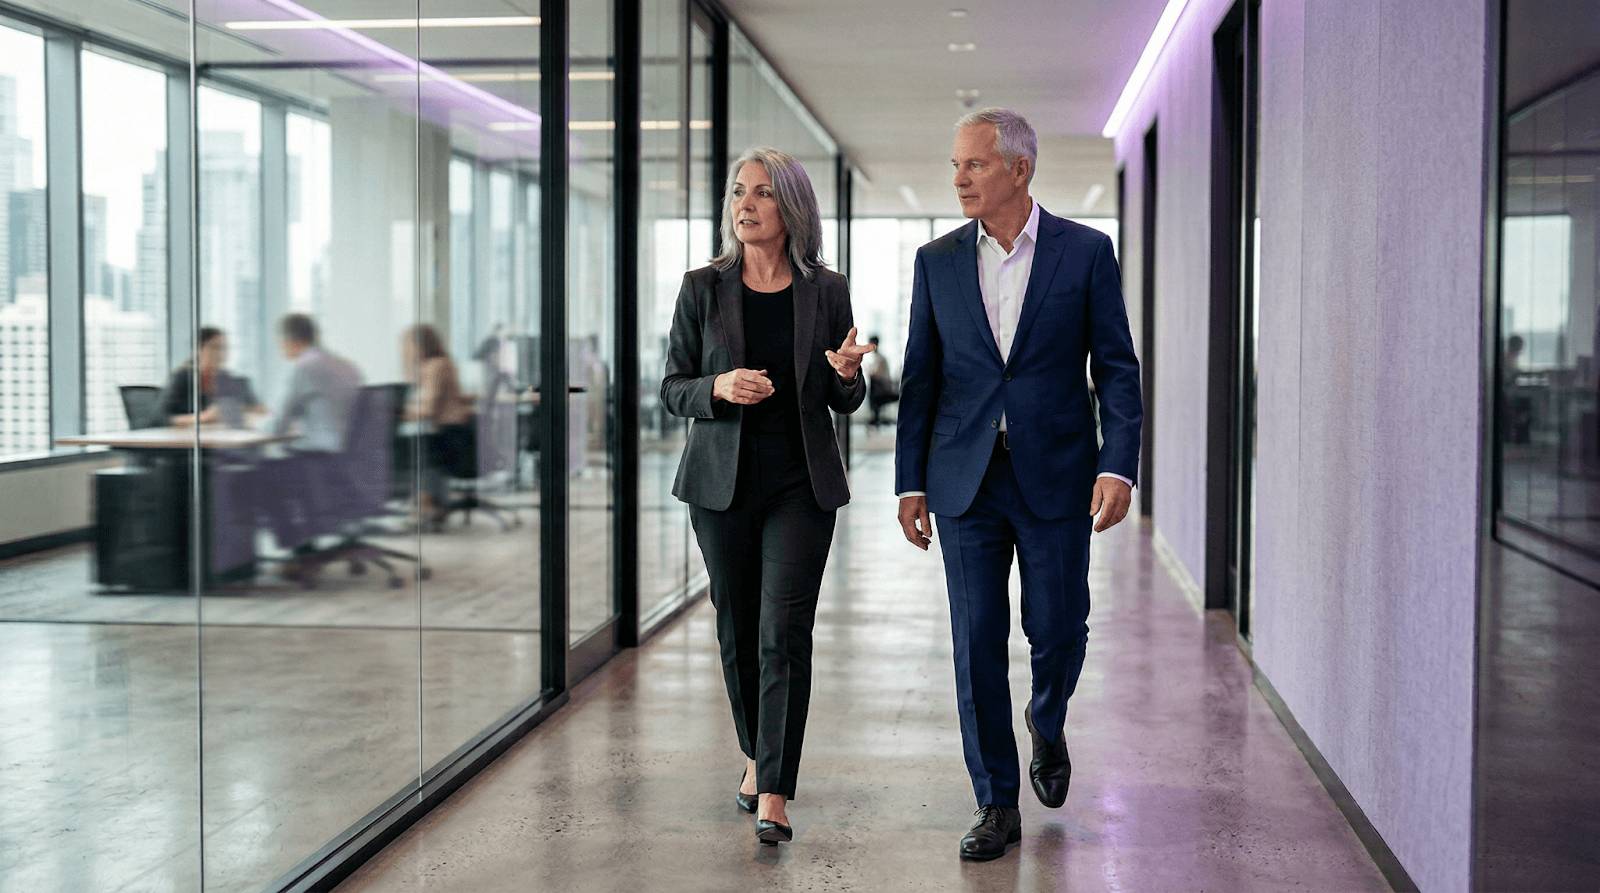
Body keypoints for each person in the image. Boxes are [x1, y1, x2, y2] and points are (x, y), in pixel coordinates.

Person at [895, 108, 1142, 861]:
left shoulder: (1086, 252)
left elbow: (1118, 370)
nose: (960, 177)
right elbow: (920, 381)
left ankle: (1047, 715)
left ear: (1019, 170)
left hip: (1059, 472)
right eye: (956, 166)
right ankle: (996, 800)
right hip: (965, 479)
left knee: (1059, 624)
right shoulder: (935, 261)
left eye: (974, 164)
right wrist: (910, 482)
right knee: (974, 642)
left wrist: (1117, 461)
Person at [660, 146, 873, 847]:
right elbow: (671, 388)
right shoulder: (702, 287)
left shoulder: (826, 288)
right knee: (737, 627)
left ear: (791, 207)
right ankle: (757, 753)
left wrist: (846, 373)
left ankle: (775, 790)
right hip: (721, 485)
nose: (744, 205)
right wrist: (716, 389)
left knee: (784, 633)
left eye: (760, 194)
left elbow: (844, 395)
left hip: (800, 483)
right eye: (737, 193)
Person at [266, 313, 363, 554]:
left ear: (289, 341)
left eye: (280, 344)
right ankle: (307, 538)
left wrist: (247, 424)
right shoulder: (347, 367)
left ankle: (298, 547)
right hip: (349, 459)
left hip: (317, 461)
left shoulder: (302, 369)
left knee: (260, 474)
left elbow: (274, 427)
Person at [402, 324, 475, 525]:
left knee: (419, 452)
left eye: (407, 346)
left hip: (453, 437)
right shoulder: (444, 363)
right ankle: (432, 504)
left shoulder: (434, 366)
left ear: (419, 346)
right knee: (422, 448)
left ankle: (426, 506)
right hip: (459, 434)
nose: (405, 351)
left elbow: (429, 408)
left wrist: (402, 412)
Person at [159, 327, 264, 427]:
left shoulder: (233, 381)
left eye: (224, 347)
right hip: (188, 442)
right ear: (198, 350)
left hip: (225, 440)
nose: (221, 353)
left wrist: (246, 412)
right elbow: (161, 418)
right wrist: (203, 418)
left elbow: (259, 410)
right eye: (215, 347)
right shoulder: (182, 378)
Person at [863, 334, 898, 428]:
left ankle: (875, 416)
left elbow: (877, 375)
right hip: (879, 389)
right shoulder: (874, 358)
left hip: (884, 390)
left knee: (873, 384)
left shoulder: (880, 359)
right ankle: (875, 416)